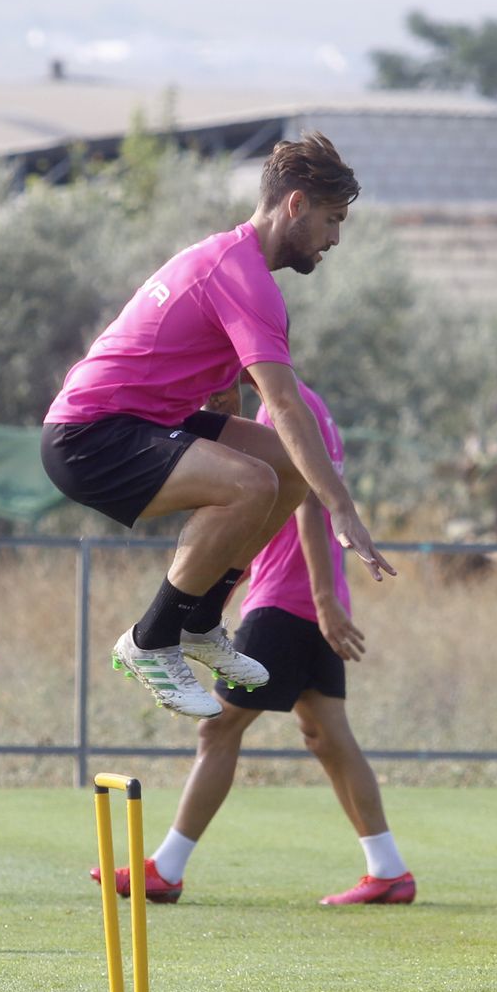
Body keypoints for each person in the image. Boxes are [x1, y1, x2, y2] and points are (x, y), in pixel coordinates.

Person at [40, 133, 394, 721]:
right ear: (296, 205)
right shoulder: (244, 277)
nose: (335, 239)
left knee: (285, 468)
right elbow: (284, 402)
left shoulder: (232, 262)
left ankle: (202, 622)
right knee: (252, 482)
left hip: (135, 421)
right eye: (333, 221)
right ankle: (152, 639)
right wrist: (344, 510)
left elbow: (224, 377)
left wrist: (225, 396)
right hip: (89, 438)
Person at [94, 378, 415, 907]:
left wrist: (321, 597)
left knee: (217, 731)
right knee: (327, 735)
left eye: (214, 389)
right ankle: (388, 869)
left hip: (285, 602)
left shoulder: (276, 417)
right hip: (305, 600)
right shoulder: (311, 404)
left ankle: (166, 869)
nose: (209, 404)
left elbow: (311, 503)